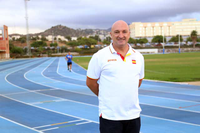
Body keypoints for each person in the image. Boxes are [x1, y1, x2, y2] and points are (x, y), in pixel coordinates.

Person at [86, 20, 144, 133]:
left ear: (129, 34)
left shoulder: (138, 57)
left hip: (133, 116)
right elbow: (90, 83)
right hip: (110, 117)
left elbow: (138, 81)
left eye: (124, 32)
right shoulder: (99, 56)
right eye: (117, 32)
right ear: (111, 35)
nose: (121, 35)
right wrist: (107, 97)